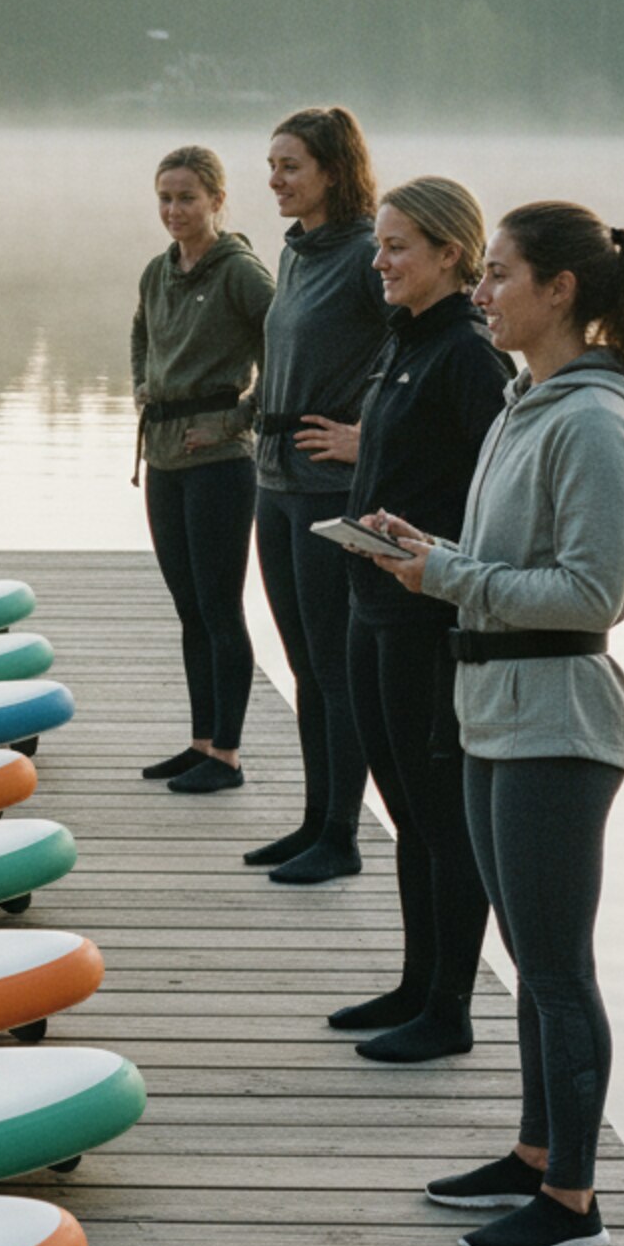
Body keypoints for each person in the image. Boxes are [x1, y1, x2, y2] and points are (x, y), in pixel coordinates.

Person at [365, 202, 624, 1246]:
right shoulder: (523, 403)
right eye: (483, 273)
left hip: (559, 719)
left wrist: (448, 574)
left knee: (556, 968)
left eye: (498, 274)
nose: (481, 292)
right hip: (495, 709)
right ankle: (536, 1152)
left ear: (561, 290)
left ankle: (573, 1204)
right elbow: (507, 561)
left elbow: (593, 590)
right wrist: (427, 547)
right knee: (528, 955)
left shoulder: (593, 420)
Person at [330, 178, 510, 1062]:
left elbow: (497, 503)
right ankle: (415, 984)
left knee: (440, 816)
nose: (380, 261)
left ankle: (450, 1010)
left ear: (450, 254)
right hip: (373, 605)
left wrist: (439, 558)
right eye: (379, 244)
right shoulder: (405, 342)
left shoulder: (470, 356)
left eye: (397, 246)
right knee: (403, 807)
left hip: (426, 619)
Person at [247, 106, 387, 883]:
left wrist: (370, 435)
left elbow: (429, 343)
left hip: (329, 488)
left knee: (335, 668)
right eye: (272, 165)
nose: (275, 179)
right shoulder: (298, 250)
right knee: (304, 664)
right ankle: (313, 821)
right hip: (274, 480)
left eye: (290, 166)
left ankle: (343, 836)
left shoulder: (368, 254)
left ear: (333, 171)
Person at [129, 145, 273, 795]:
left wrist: (241, 417)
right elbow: (140, 331)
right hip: (162, 458)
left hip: (219, 463)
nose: (174, 210)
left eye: (187, 197)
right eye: (165, 198)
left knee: (220, 609)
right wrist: (141, 383)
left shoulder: (239, 271)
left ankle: (229, 756)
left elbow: (286, 340)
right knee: (189, 609)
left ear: (217, 200)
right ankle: (201, 744)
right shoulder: (158, 271)